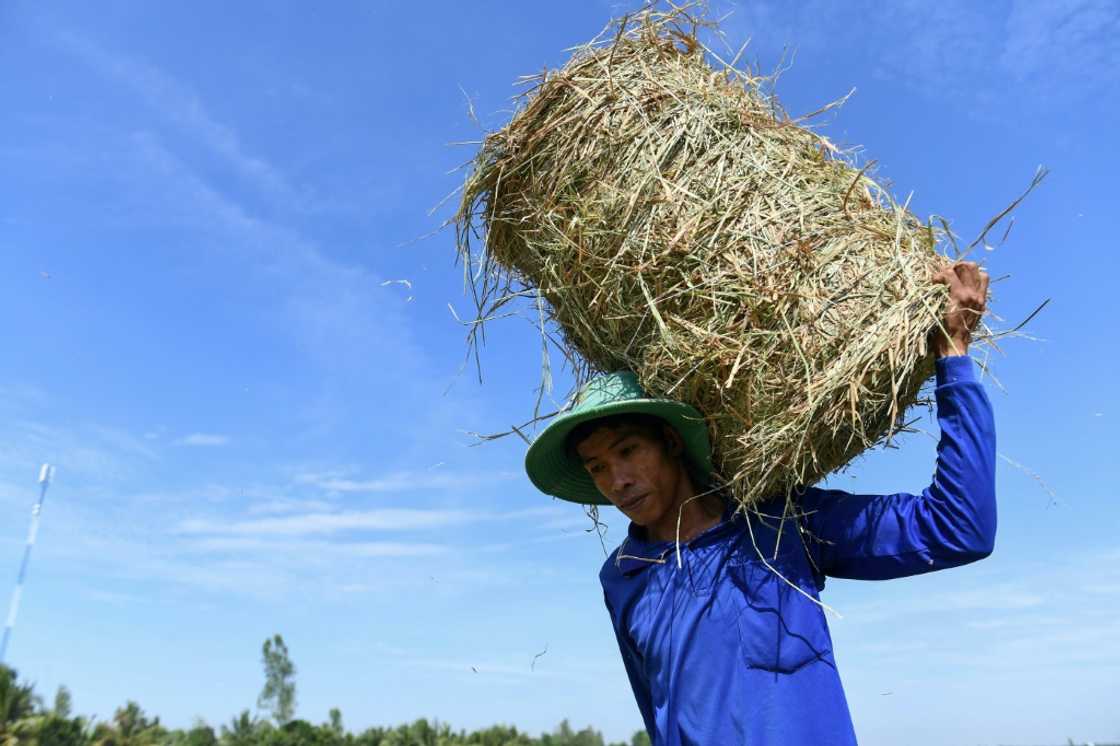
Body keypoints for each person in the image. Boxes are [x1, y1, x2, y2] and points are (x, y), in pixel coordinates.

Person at [523, 262, 995, 745]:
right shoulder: (623, 577)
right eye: (597, 467)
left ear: (669, 441)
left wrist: (953, 359)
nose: (617, 481)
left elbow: (959, 528)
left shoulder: (783, 524)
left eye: (627, 451)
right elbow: (658, 715)